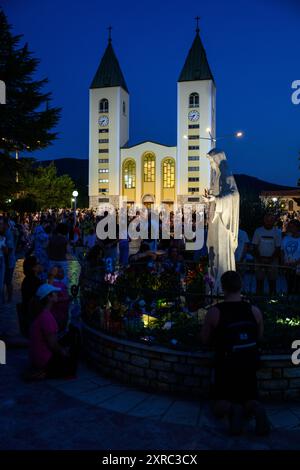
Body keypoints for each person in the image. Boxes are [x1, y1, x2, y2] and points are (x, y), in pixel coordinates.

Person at [201, 271, 270, 436]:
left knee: (218, 404)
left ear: (223, 288)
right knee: (249, 397)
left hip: (226, 365)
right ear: (241, 287)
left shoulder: (215, 312)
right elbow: (259, 337)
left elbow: (204, 339)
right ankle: (255, 408)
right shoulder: (254, 311)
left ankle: (232, 409)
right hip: (249, 364)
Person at [203, 149, 240, 293]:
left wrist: (216, 199)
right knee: (213, 250)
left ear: (218, 160)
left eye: (212, 161)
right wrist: (210, 199)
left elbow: (234, 194)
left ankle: (223, 286)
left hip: (223, 222)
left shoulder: (226, 174)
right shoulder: (216, 176)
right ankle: (213, 283)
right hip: (215, 219)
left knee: (221, 252)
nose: (211, 164)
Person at [28, 284, 79, 379]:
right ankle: (45, 373)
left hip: (36, 357)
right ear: (49, 297)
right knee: (72, 367)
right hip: (43, 359)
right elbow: (52, 344)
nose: (57, 295)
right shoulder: (46, 317)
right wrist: (64, 352)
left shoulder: (40, 313)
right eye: (55, 293)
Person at [252, 214, 281, 295]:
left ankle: (272, 299)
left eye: (271, 220)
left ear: (273, 221)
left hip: (273, 260)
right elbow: (255, 246)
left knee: (272, 281)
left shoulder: (277, 232)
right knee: (259, 281)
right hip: (259, 259)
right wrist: (260, 259)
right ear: (264, 221)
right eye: (267, 220)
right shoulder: (258, 231)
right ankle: (258, 299)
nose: (269, 222)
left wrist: (270, 260)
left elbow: (278, 248)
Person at [19, 256, 42, 337]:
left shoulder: (26, 280)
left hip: (28, 316)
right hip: (34, 317)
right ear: (34, 268)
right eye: (38, 263)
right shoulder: (35, 282)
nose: (41, 265)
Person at [281, 219, 300, 295]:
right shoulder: (286, 238)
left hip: (298, 268)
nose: (290, 228)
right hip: (288, 266)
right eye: (289, 226)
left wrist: (296, 263)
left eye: (292, 227)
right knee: (289, 286)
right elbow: (282, 250)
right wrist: (283, 261)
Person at [0, 218, 7, 303]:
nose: (1, 225)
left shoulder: (3, 237)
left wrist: (5, 249)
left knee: (1, 286)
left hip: (1, 260)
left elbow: (6, 252)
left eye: (1, 224)